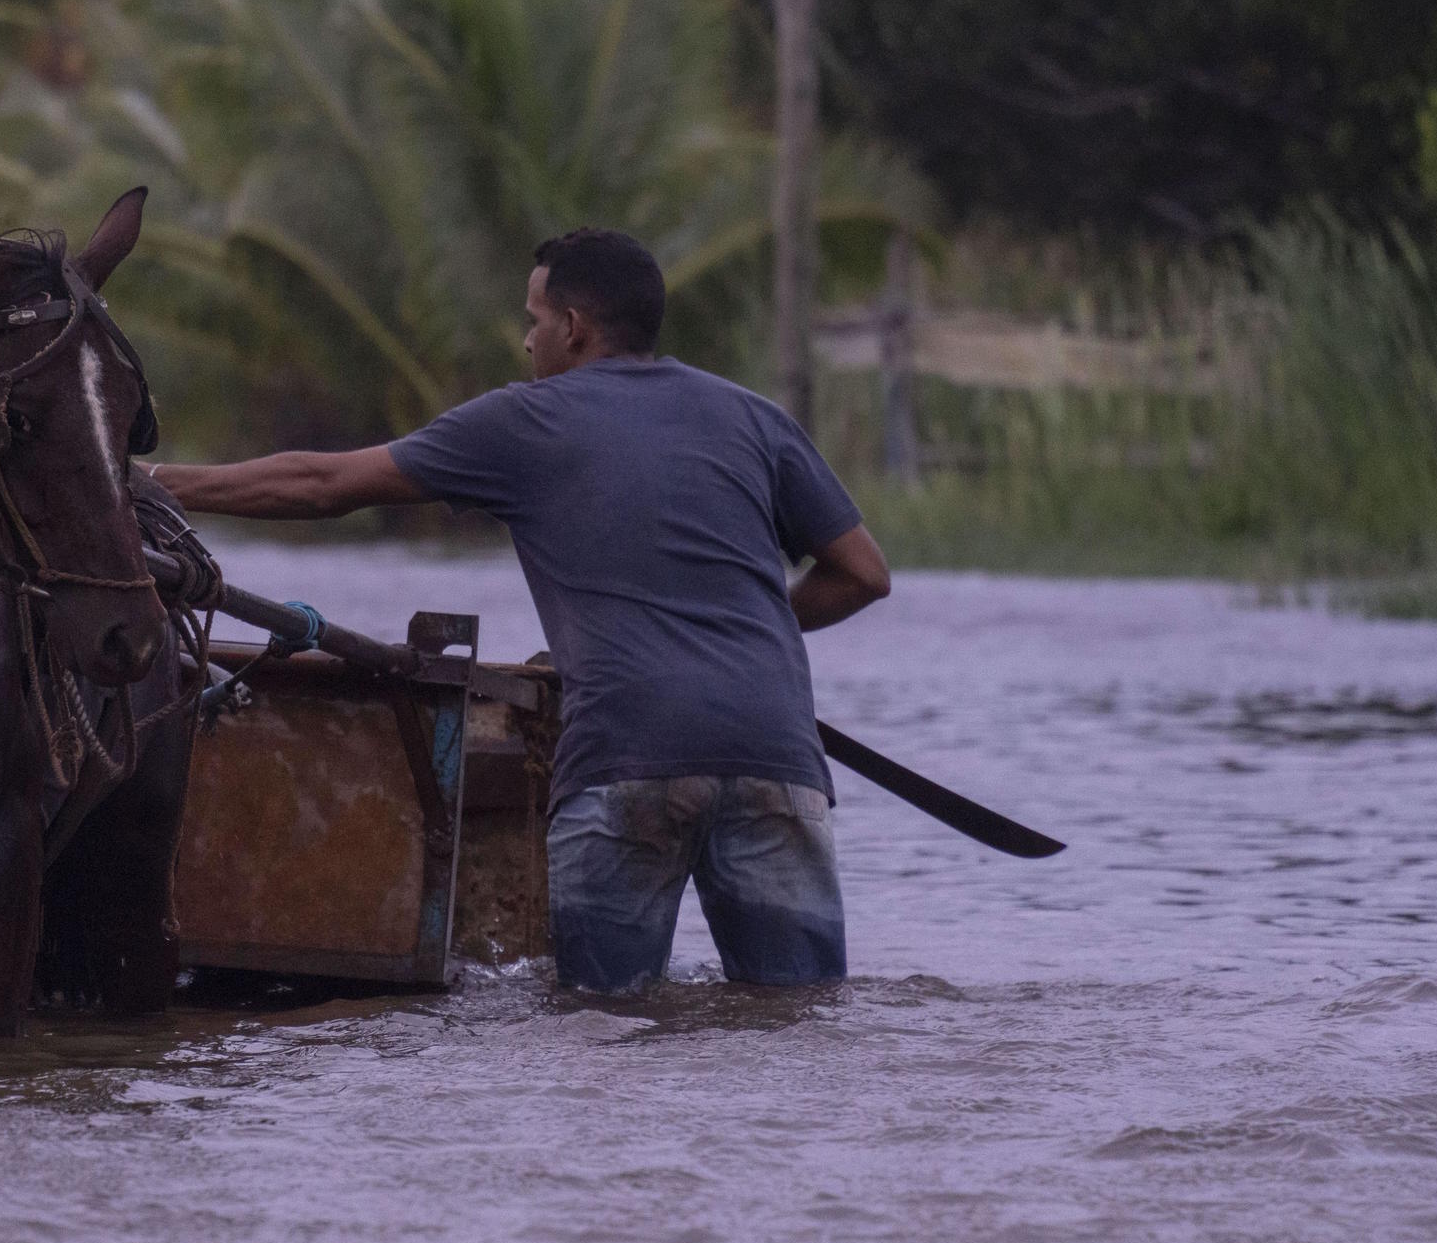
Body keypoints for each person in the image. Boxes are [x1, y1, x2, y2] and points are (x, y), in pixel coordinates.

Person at [150, 229, 891, 993]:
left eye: (534, 321)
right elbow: (863, 573)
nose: (527, 342)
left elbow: (323, 484)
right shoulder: (755, 419)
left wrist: (150, 484)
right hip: (776, 753)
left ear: (573, 328)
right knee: (796, 1020)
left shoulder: (526, 421)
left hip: (624, 755)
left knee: (603, 1026)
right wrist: (742, 635)